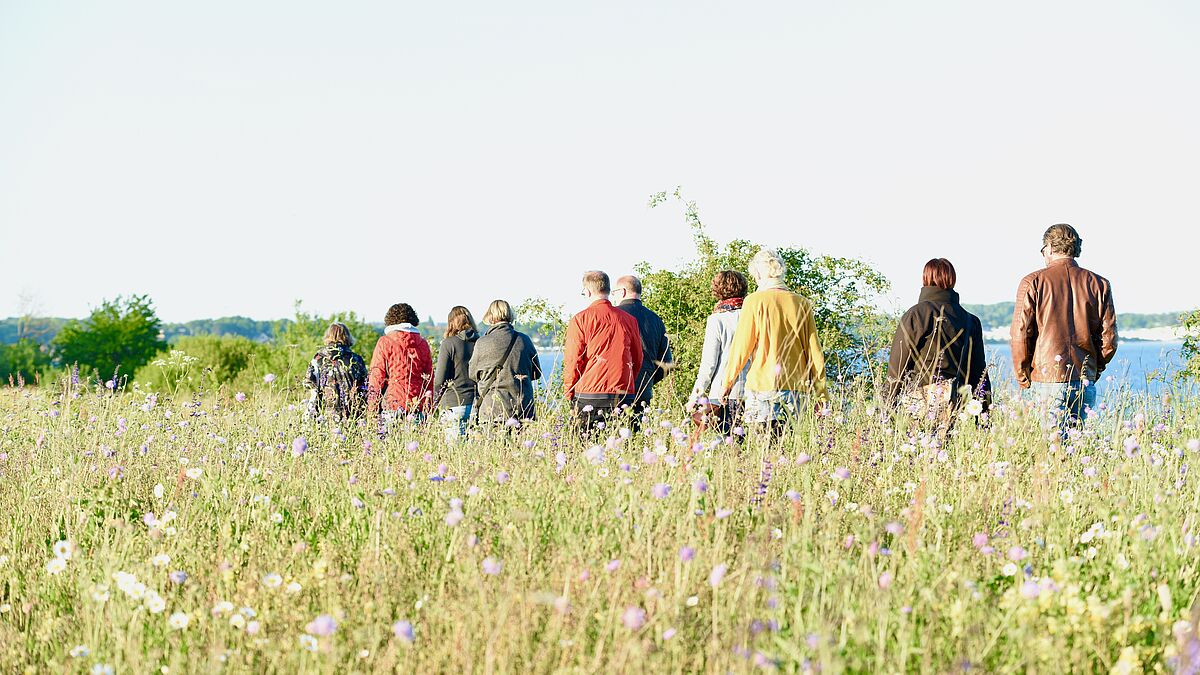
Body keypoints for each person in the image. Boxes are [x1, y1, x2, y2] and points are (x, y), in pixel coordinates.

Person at [1011, 224, 1117, 426]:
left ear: (1049, 247)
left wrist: (1023, 374)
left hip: (1047, 377)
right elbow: (1109, 338)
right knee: (1077, 450)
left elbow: (1021, 333)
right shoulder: (1099, 283)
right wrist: (1094, 368)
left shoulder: (1033, 282)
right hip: (1084, 378)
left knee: (1051, 449)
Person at [718, 248, 826, 440]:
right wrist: (822, 394)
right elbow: (814, 352)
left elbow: (741, 348)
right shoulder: (802, 303)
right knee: (787, 447)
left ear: (759, 274)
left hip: (761, 386)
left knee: (763, 451)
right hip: (795, 387)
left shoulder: (753, 301)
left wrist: (726, 383)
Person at [885, 258, 990, 418]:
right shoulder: (971, 321)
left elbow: (897, 368)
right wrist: (984, 418)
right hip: (954, 409)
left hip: (918, 407)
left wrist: (886, 410)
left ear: (925, 279)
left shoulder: (917, 314)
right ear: (952, 280)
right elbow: (979, 375)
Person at [562, 270, 643, 435]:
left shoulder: (580, 319)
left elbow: (573, 361)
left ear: (588, 291)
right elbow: (637, 357)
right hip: (622, 393)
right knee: (621, 449)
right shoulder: (629, 320)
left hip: (589, 393)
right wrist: (628, 382)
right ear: (607, 289)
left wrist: (569, 391)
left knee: (584, 448)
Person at [688, 270, 751, 438]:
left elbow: (709, 364)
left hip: (723, 392)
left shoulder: (717, 320)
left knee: (728, 443)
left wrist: (696, 396)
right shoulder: (753, 316)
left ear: (718, 290)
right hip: (753, 391)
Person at [469, 299, 542, 425]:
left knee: (494, 444)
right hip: (523, 409)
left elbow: (473, 374)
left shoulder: (482, 343)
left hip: (492, 409)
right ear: (510, 315)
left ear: (490, 317)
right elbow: (537, 373)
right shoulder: (524, 340)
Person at [614, 274, 672, 427]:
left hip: (616, 389)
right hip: (643, 389)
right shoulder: (655, 319)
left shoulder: (614, 316)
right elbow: (666, 363)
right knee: (636, 437)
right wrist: (649, 379)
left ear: (623, 292)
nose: (613, 297)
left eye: (614, 293)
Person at [367, 303, 434, 424]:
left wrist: (372, 410)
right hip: (417, 405)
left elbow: (376, 377)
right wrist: (428, 409)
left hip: (392, 404)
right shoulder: (423, 344)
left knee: (390, 442)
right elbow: (429, 379)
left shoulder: (385, 342)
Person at [303, 322, 369, 423]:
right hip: (352, 414)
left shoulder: (318, 358)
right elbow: (365, 385)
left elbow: (308, 383)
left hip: (325, 414)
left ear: (328, 336)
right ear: (347, 337)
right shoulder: (356, 359)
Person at [433, 306, 479, 440]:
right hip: (477, 403)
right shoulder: (481, 342)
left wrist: (433, 403)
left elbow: (439, 380)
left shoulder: (448, 344)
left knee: (454, 452)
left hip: (454, 403)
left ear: (451, 323)